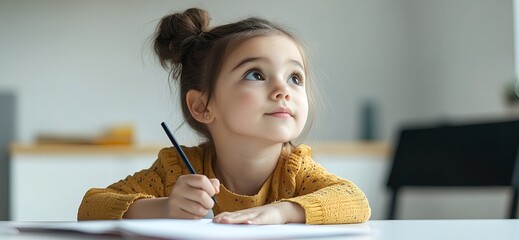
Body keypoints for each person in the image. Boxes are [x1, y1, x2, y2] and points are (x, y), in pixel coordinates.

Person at [78, 7, 371, 225]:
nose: (284, 90)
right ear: (202, 106)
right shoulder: (177, 170)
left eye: (295, 77)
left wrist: (283, 212)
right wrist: (165, 208)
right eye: (256, 74)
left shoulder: (295, 171)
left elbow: (355, 201)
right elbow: (91, 206)